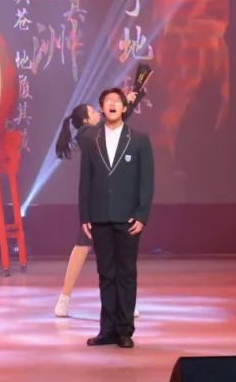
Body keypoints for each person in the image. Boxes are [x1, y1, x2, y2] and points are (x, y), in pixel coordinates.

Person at [53, 91, 140, 319]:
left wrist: (129, 102)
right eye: (93, 112)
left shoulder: (99, 132)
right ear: (85, 120)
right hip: (97, 205)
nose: (98, 113)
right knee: (82, 248)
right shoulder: (86, 135)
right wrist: (125, 105)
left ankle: (124, 302)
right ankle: (64, 299)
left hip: (114, 202)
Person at [78, 88, 154, 349]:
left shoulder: (139, 139)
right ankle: (107, 330)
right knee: (106, 274)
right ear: (102, 108)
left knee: (126, 274)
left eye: (116, 101)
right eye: (107, 101)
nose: (111, 105)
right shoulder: (92, 140)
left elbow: (146, 182)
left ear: (124, 108)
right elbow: (85, 180)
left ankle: (124, 330)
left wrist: (142, 215)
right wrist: (85, 215)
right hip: (100, 217)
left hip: (128, 218)